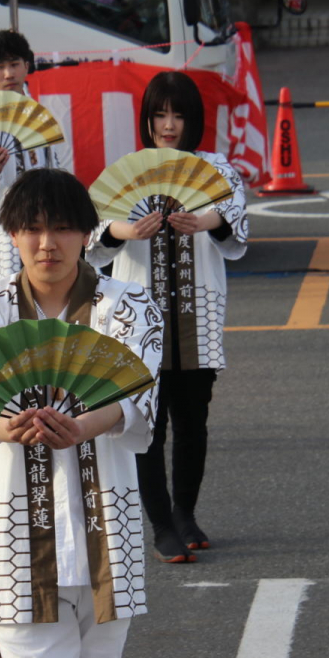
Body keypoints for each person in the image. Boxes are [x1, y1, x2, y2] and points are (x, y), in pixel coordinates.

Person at [0, 168, 162, 658]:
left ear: (86, 234)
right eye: (32, 229)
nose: (47, 244)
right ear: (12, 233)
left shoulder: (128, 305)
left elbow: (141, 397)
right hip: (13, 534)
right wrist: (5, 427)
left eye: (62, 228)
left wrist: (87, 425)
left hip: (109, 529)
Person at [85, 71, 248, 565]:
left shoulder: (216, 168)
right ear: (147, 119)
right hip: (142, 320)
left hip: (197, 320)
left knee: (193, 421)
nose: (169, 125)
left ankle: (186, 514)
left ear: (193, 119)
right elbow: (94, 233)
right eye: (160, 114)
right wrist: (125, 229)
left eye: (178, 114)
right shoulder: (130, 170)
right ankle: (160, 524)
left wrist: (206, 221)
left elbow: (235, 213)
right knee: (147, 423)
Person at [0, 30, 67, 289]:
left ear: (26, 67)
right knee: (1, 305)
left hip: (42, 230)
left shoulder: (41, 118)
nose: (8, 74)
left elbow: (57, 172)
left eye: (14, 64)